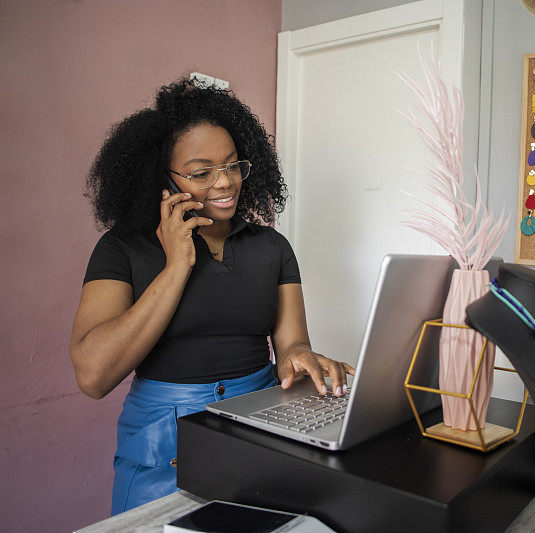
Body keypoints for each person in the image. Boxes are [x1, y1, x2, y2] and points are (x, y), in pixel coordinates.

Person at [69, 78, 355, 515]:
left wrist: (300, 357)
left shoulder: (271, 247)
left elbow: (292, 344)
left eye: (233, 165)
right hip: (163, 441)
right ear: (160, 178)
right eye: (202, 173)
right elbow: (93, 375)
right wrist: (177, 264)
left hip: (257, 423)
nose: (226, 183)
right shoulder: (123, 248)